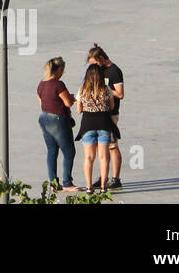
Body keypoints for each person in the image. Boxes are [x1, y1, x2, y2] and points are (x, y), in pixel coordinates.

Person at [36, 56, 78, 192]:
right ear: (59, 69)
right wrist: (72, 98)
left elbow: (41, 103)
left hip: (44, 118)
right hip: (58, 120)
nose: (63, 73)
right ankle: (67, 183)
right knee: (69, 152)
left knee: (52, 151)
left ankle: (53, 183)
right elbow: (67, 103)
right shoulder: (58, 84)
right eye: (63, 70)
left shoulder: (41, 84)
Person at [87, 44, 125, 190]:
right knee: (101, 147)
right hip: (99, 114)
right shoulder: (99, 70)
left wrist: (104, 89)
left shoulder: (114, 71)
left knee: (112, 146)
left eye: (95, 63)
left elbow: (120, 94)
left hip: (110, 115)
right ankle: (104, 177)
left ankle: (115, 178)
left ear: (101, 58)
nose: (94, 67)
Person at [73, 63, 115, 193]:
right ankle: (103, 186)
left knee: (88, 157)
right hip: (104, 124)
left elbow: (79, 110)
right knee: (103, 157)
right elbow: (112, 106)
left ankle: (89, 186)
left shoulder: (82, 90)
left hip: (88, 125)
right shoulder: (106, 89)